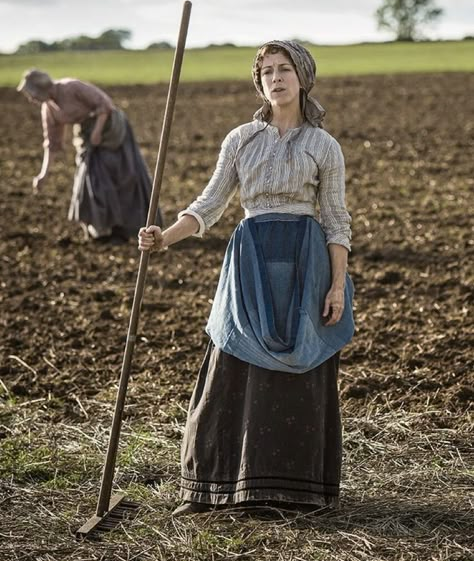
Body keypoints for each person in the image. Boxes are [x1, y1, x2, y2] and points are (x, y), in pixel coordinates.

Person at [138, 40, 354, 515]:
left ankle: (295, 493)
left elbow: (337, 221)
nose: (275, 78)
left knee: (300, 369)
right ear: (259, 82)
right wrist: (164, 237)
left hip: (305, 263)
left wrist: (336, 285)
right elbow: (208, 206)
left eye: (285, 70)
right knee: (230, 360)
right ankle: (211, 489)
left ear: (303, 78)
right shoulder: (239, 139)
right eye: (267, 72)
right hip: (250, 261)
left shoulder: (323, 145)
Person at [17, 69, 161, 242]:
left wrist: (97, 131)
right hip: (88, 136)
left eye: (31, 94)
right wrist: (43, 174)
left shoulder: (71, 87)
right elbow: (52, 143)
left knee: (122, 174)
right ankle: (101, 229)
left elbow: (105, 105)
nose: (31, 99)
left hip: (111, 130)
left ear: (41, 89)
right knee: (92, 180)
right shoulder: (48, 109)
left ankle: (123, 228)